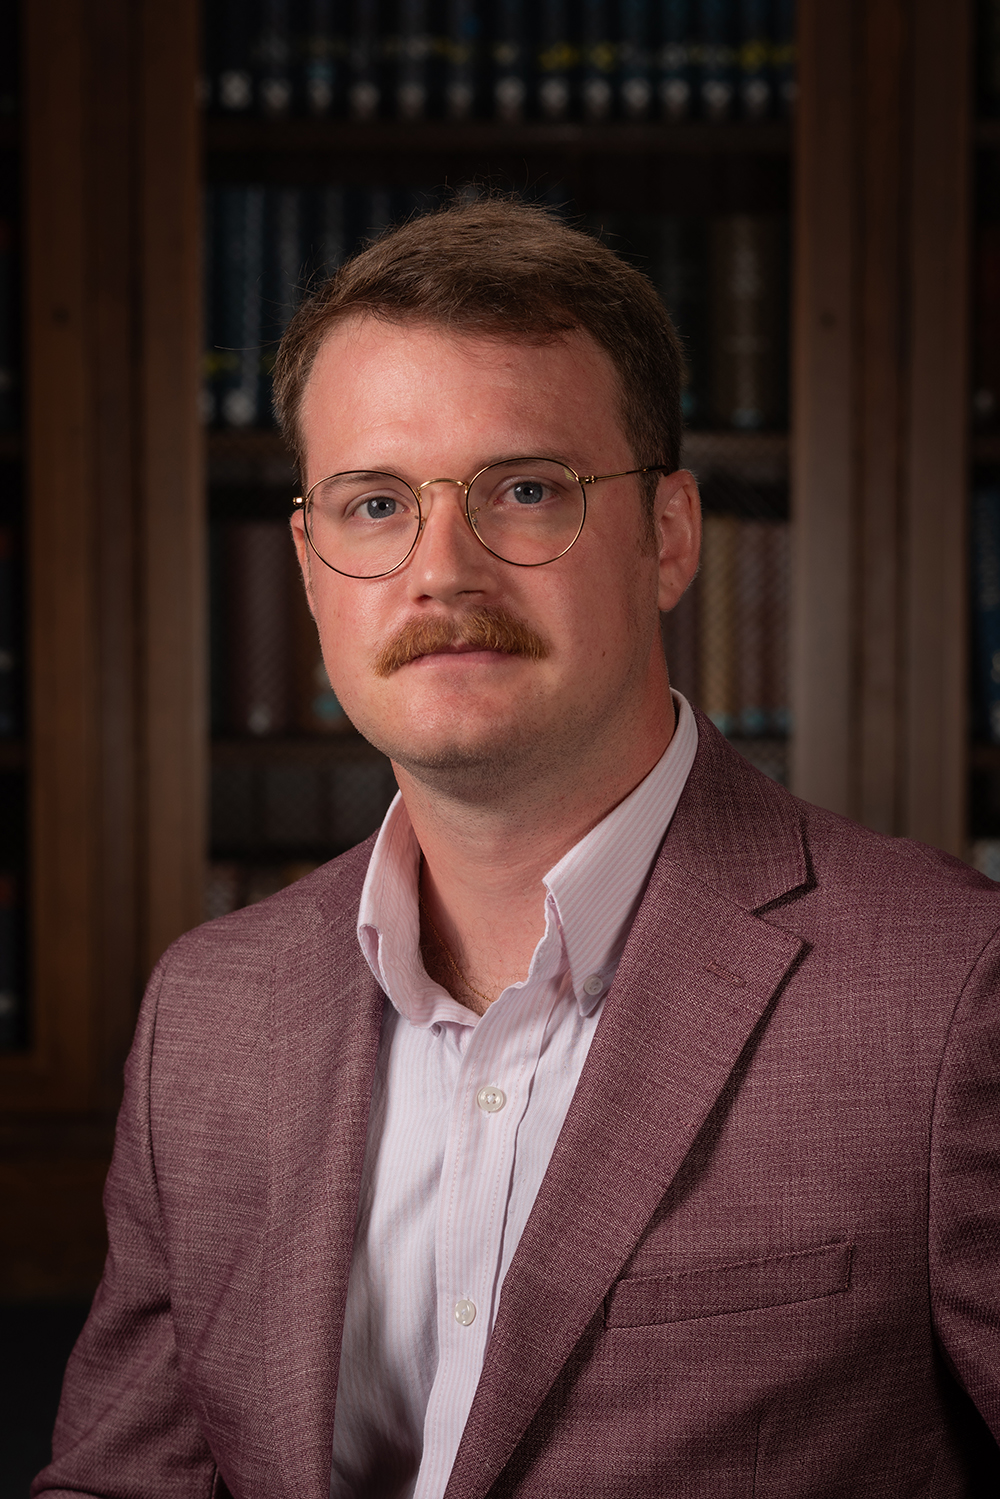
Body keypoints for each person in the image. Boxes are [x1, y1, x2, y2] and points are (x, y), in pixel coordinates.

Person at [34, 198, 1000, 1499]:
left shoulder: (950, 994)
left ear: (670, 535)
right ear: (313, 565)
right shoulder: (206, 1016)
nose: (442, 571)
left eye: (526, 490)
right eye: (377, 504)